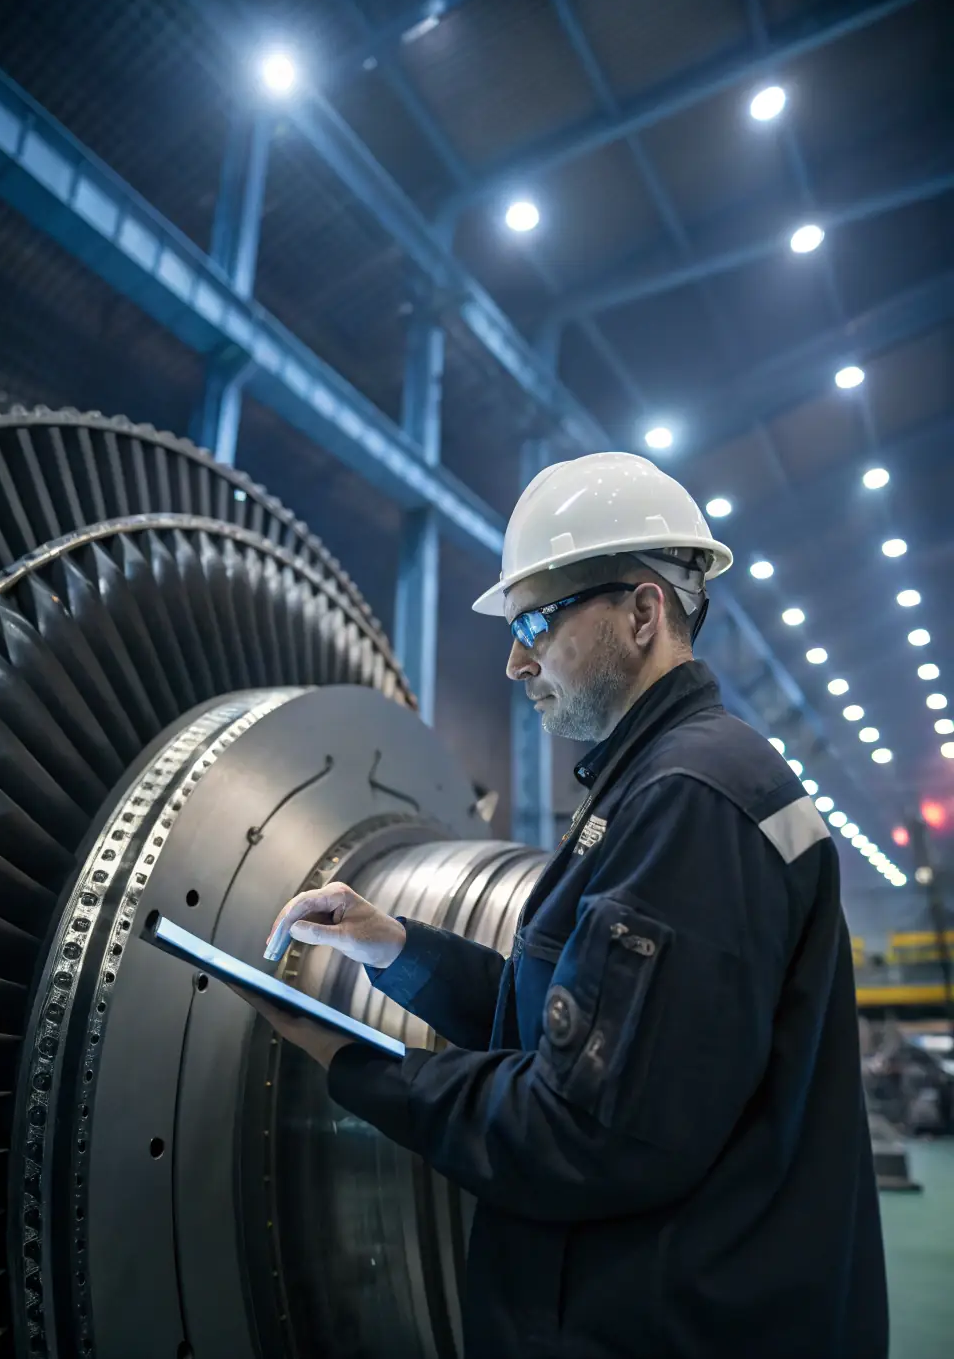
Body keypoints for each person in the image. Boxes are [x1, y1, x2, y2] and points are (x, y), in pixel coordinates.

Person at [248, 452, 888, 1358]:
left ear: (642, 612)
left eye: (537, 624)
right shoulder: (658, 781)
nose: (514, 661)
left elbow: (580, 1131)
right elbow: (573, 1028)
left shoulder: (691, 800)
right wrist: (395, 946)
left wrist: (348, 1059)